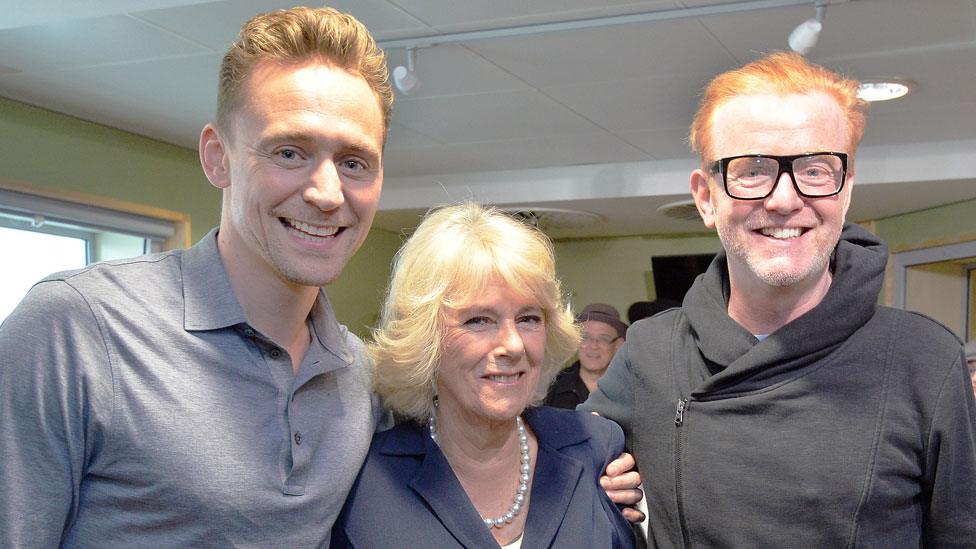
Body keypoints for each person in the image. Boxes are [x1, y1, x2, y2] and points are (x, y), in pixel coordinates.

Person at [0, 7, 394, 546]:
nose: (327, 193)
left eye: (354, 162)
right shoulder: (76, 327)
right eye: (289, 152)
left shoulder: (360, 379)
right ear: (218, 157)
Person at [582, 52, 976, 547]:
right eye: (751, 171)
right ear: (706, 197)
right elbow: (566, 461)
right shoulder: (650, 351)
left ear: (846, 191)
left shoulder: (924, 357)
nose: (785, 200)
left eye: (815, 169)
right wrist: (603, 479)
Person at [332, 203, 636, 548]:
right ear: (426, 339)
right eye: (479, 320)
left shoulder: (596, 449)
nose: (513, 344)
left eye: (529, 318)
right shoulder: (366, 484)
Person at [545, 303, 627, 409]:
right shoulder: (551, 388)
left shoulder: (631, 388)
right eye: (585, 337)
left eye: (604, 339)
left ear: (618, 345)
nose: (593, 346)